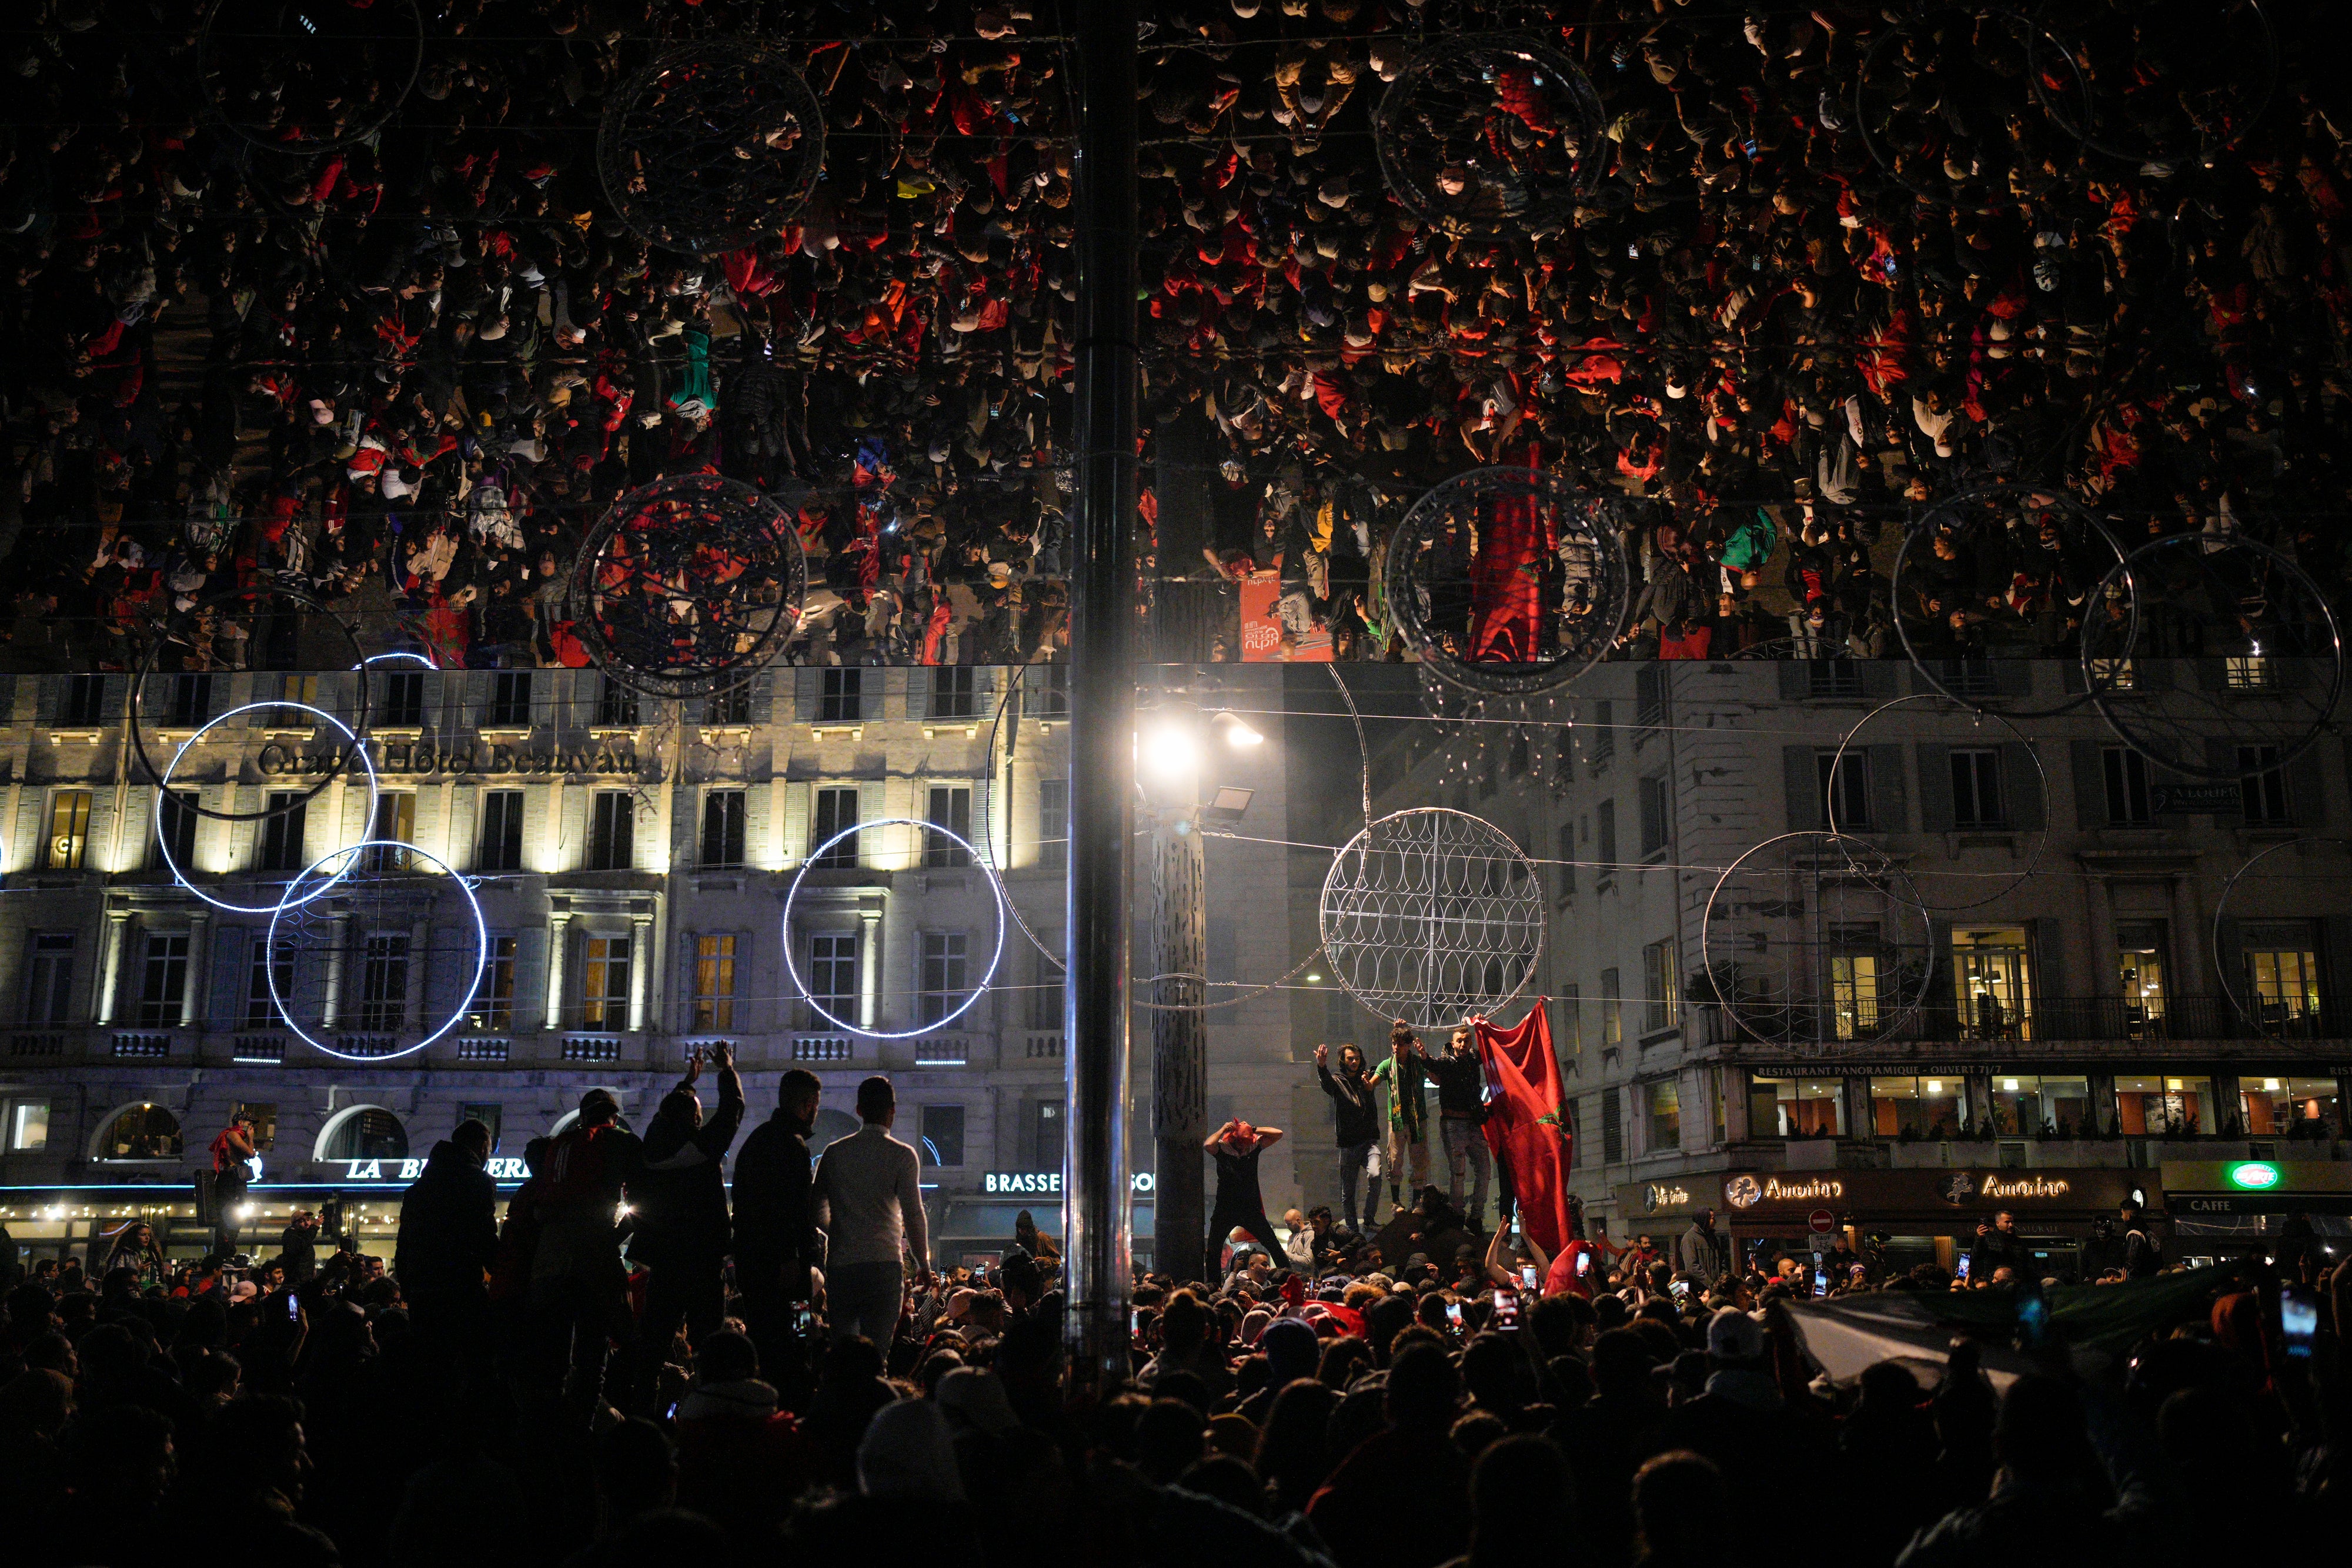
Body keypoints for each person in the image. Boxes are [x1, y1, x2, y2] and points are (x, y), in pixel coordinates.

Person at [532, 1088, 647, 1415]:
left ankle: (548, 1427)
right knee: (592, 1354)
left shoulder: (560, 1144)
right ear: (614, 1117)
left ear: (583, 1116)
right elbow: (646, 1201)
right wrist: (615, 1238)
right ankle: (582, 1429)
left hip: (551, 1260)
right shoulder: (622, 1141)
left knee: (553, 1356)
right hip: (594, 1259)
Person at [634, 1044, 747, 1374]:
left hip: (663, 1259)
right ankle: (703, 1400)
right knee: (707, 1341)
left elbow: (665, 1116)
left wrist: (688, 1082)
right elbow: (732, 1111)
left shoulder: (652, 1145)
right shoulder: (699, 1149)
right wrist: (726, 1070)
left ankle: (645, 1404)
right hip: (701, 1258)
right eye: (698, 1115)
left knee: (655, 1337)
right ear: (695, 1120)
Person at [813, 1075, 931, 1349]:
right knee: (878, 1351)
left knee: (845, 1347)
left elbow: (816, 1209)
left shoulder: (834, 1153)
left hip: (842, 1263)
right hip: (884, 1263)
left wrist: (841, 1228)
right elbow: (913, 1214)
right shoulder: (903, 1155)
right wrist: (923, 1264)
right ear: (893, 1110)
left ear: (859, 1110)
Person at [733, 1068, 823, 1382]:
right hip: (789, 1271)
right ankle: (792, 1407)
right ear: (808, 1104)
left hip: (753, 1268)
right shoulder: (793, 1146)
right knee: (798, 1338)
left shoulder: (756, 1141)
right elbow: (794, 1210)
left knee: (763, 1341)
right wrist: (793, 1257)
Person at [393, 1118, 499, 1362]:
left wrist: (410, 1290)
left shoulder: (419, 1188)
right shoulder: (477, 1181)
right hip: (459, 1288)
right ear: (483, 1146)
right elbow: (483, 1236)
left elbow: (404, 1244)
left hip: (422, 1292)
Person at [1424, 1023, 1493, 1230]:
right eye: (1460, 1041)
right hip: (1453, 1123)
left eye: (1467, 1040)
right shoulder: (1445, 1062)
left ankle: (1477, 1215)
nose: (1464, 1044)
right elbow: (1431, 1064)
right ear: (1453, 1043)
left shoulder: (1473, 1058)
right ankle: (1457, 1214)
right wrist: (1423, 1056)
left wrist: (1483, 1027)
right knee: (1459, 1171)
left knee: (1485, 1168)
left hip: (1472, 1121)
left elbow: (1492, 1049)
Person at [1204, 1119, 1285, 1278]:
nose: (1244, 1147)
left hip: (1250, 1209)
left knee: (1274, 1245)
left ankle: (1287, 1278)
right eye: (1241, 1143)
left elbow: (1279, 1134)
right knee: (1213, 1250)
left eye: (1246, 1143)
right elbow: (1208, 1145)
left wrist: (1254, 1129)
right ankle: (1214, 1286)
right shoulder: (1223, 1149)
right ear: (1234, 1139)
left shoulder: (1252, 1147)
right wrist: (1223, 1129)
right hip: (1225, 1209)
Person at [1313, 1041, 1381, 1232]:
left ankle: (1369, 1219)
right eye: (1350, 1058)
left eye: (1357, 1058)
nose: (1354, 1062)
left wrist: (1369, 1084)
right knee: (1348, 1191)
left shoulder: (1366, 1078)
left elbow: (1383, 1072)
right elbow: (1326, 1084)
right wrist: (1321, 1065)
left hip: (1369, 1142)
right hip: (1348, 1145)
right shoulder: (1337, 1080)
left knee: (1375, 1175)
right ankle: (1352, 1228)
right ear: (1343, 1060)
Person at [1369, 1021, 1433, 1216]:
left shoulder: (1417, 1063)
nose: (1397, 1048)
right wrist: (1366, 1082)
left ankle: (1417, 1201)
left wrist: (1425, 1057)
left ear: (1409, 1045)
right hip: (1396, 1120)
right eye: (1394, 1044)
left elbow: (1436, 1078)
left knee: (1419, 1162)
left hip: (1417, 1119)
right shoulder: (1388, 1065)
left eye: (1401, 1044)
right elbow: (1372, 1085)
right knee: (1395, 1161)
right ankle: (1396, 1201)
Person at [206, 1110, 258, 1255]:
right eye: (249, 1124)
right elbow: (250, 1153)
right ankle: (225, 1245)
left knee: (240, 1211)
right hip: (230, 1177)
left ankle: (230, 1244)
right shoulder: (232, 1134)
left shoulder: (241, 1136)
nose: (251, 1127)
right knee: (229, 1212)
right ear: (240, 1123)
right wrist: (251, 1138)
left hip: (237, 1178)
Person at [1968, 1211, 2030, 1283]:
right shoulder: (1987, 1239)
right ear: (1998, 1223)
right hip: (1993, 1281)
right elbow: (1976, 1256)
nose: (2011, 1225)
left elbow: (2027, 1264)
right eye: (2007, 1222)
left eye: (2012, 1222)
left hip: (2015, 1283)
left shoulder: (2020, 1242)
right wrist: (1979, 1239)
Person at [1676, 1209, 1728, 1287]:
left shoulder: (1712, 1238)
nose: (1715, 1221)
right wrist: (1710, 1285)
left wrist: (1722, 1281)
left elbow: (1722, 1262)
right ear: (1704, 1219)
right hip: (1701, 1290)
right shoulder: (1689, 1238)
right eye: (1712, 1218)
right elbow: (1692, 1268)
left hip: (1717, 1287)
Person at [2119, 1202, 2162, 1279]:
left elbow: (2132, 1263)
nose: (2122, 1217)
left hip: (2142, 1282)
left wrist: (2129, 1283)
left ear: (2128, 1216)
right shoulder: (2148, 1230)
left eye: (2122, 1214)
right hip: (2155, 1279)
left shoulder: (2135, 1233)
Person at [279, 1210, 321, 1286]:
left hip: (305, 1282)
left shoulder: (304, 1236)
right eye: (302, 1221)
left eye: (308, 1220)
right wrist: (314, 1228)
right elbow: (300, 1246)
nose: (307, 1223)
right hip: (296, 1283)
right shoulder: (290, 1234)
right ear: (295, 1224)